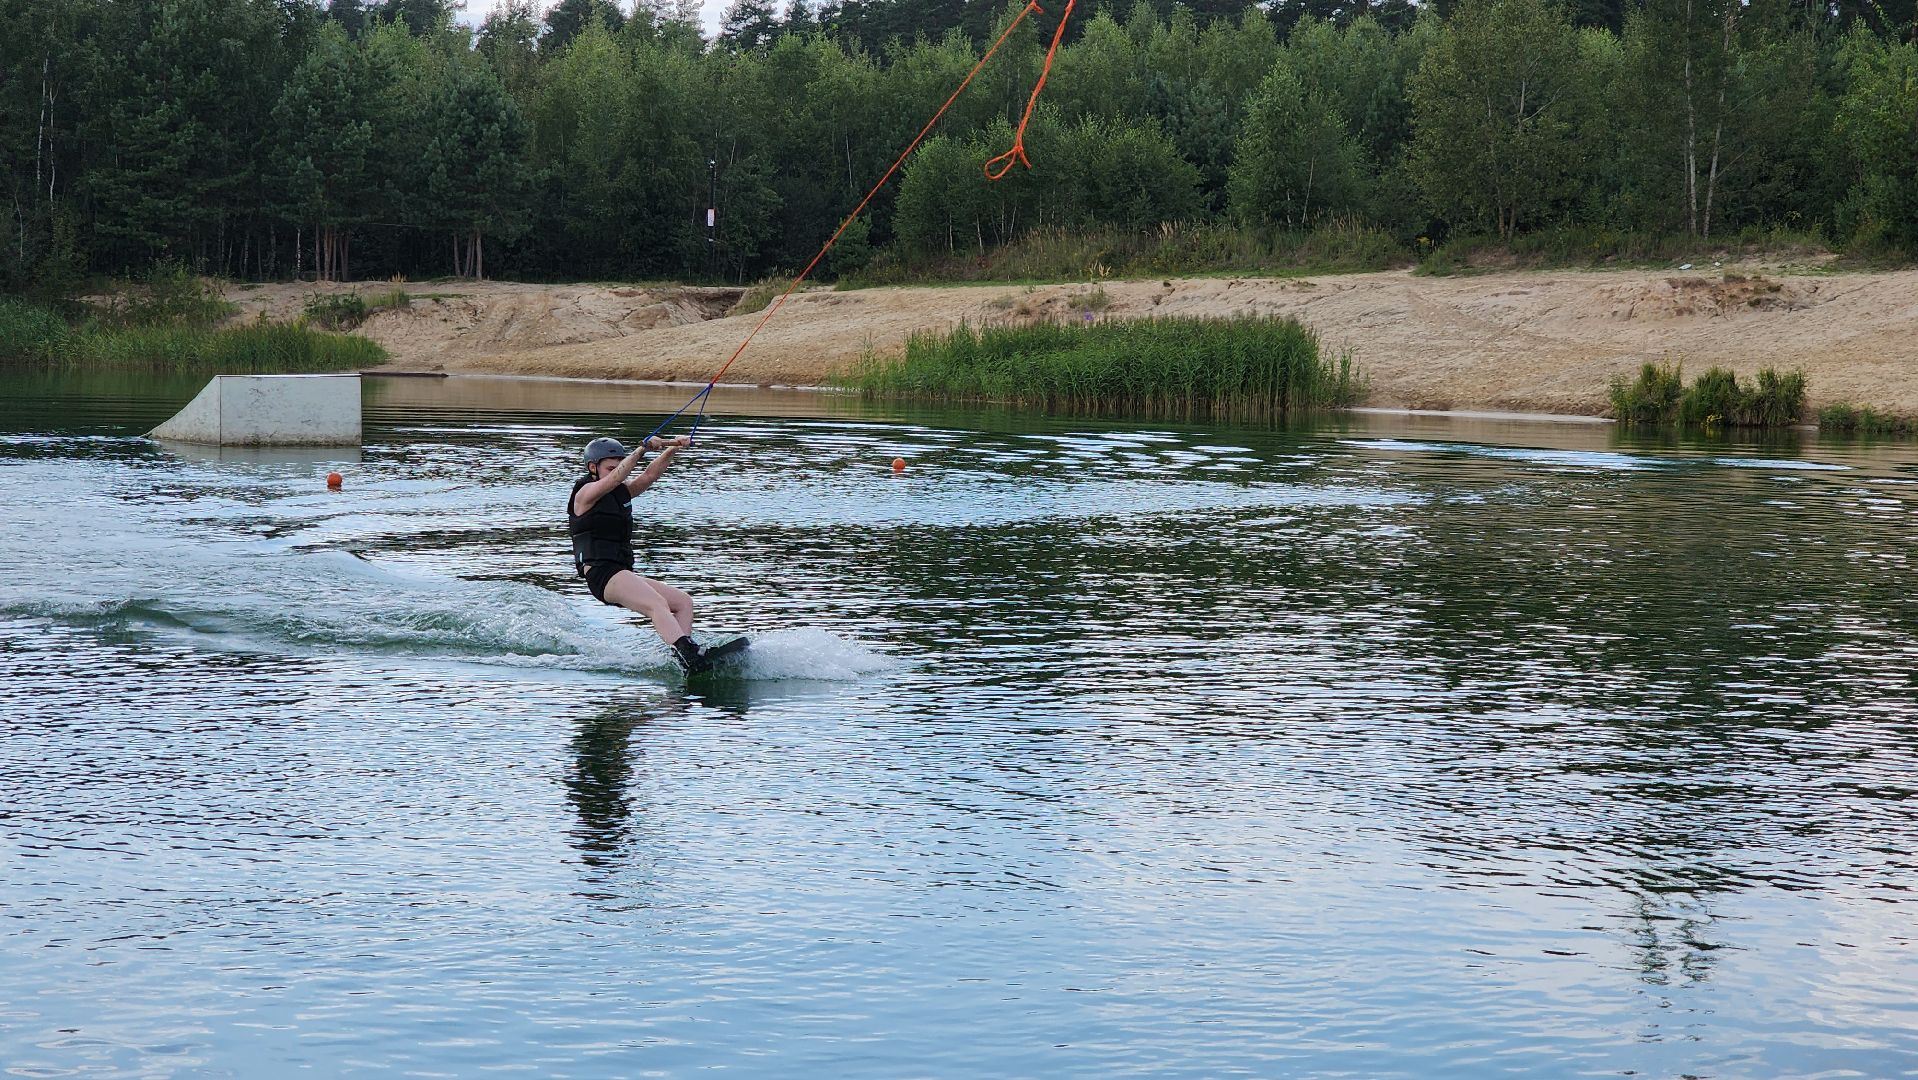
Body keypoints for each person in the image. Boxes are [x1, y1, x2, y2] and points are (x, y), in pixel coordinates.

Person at [569, 434, 712, 672]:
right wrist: (641, 450)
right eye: (610, 467)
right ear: (593, 468)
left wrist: (673, 448)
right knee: (657, 604)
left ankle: (685, 656)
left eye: (619, 464)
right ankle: (688, 654)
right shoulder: (584, 494)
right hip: (602, 574)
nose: (617, 471)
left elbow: (648, 476)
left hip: (620, 572)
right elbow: (618, 476)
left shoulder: (620, 491)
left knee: (683, 602)